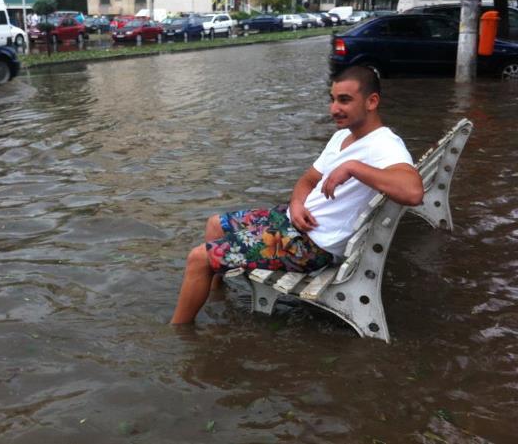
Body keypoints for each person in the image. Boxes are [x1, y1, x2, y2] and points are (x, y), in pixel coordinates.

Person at [170, 65, 424, 324]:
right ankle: (214, 296)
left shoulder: (384, 145)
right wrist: (297, 202)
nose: (334, 109)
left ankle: (178, 334)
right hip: (293, 221)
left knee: (198, 258)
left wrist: (353, 167)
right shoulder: (341, 138)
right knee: (215, 224)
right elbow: (308, 179)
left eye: (345, 100)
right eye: (333, 99)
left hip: (310, 246)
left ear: (372, 102)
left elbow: (413, 192)